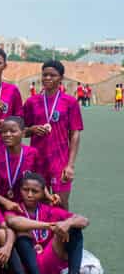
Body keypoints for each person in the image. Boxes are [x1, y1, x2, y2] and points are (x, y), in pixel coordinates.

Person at [6, 173, 94, 274]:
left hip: (49, 260)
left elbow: (84, 220)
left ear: (43, 193)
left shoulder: (49, 210)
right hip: (26, 266)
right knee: (21, 230)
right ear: (20, 190)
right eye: (25, 190)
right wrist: (49, 226)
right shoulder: (15, 208)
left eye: (35, 191)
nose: (29, 194)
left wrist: (68, 223)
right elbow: (13, 222)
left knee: (74, 228)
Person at [23, 60, 83, 210]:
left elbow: (75, 133)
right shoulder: (31, 102)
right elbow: (21, 130)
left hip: (60, 162)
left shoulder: (70, 102)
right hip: (37, 161)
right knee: (40, 204)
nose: (48, 78)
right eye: (45, 75)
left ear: (61, 78)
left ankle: (65, 227)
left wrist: (70, 165)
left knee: (61, 204)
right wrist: (32, 130)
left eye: (52, 75)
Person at [0, 116, 42, 209]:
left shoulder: (33, 153)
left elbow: (39, 181)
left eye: (12, 131)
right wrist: (6, 203)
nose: (7, 134)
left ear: (23, 133)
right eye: (4, 131)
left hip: (25, 207)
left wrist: (49, 196)